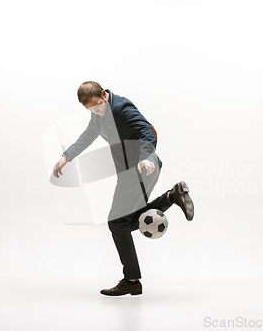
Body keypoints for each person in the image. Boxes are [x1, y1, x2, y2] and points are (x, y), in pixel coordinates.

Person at [52, 81, 194, 296]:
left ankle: (132, 280)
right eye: (90, 110)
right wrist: (66, 157)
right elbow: (86, 137)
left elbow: (148, 130)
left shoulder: (122, 108)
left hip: (142, 169)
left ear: (103, 95)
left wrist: (146, 157)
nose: (96, 112)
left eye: (97, 106)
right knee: (121, 224)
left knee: (117, 223)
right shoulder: (97, 115)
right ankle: (172, 196)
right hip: (130, 173)